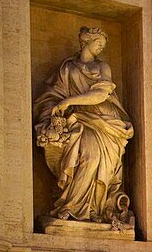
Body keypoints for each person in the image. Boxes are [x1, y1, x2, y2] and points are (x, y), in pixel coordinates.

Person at [33, 27, 134, 226]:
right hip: (78, 120)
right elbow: (52, 95)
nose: (101, 47)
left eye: (103, 45)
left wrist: (69, 102)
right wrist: (55, 110)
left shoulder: (103, 67)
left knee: (100, 161)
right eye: (98, 43)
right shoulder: (67, 69)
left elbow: (101, 95)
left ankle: (96, 209)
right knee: (87, 156)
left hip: (104, 121)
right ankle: (71, 205)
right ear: (86, 41)